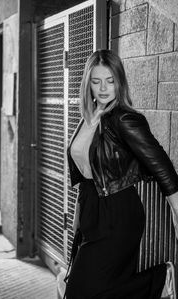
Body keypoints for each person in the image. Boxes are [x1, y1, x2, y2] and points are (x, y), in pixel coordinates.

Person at [65, 49, 178, 299]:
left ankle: (159, 280)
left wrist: (177, 209)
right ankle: (157, 283)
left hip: (118, 215)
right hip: (91, 211)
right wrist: (77, 217)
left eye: (110, 80)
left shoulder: (124, 119)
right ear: (88, 84)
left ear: (120, 82)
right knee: (102, 288)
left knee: (79, 293)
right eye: (96, 81)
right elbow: (86, 174)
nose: (103, 88)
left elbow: (161, 164)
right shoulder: (88, 117)